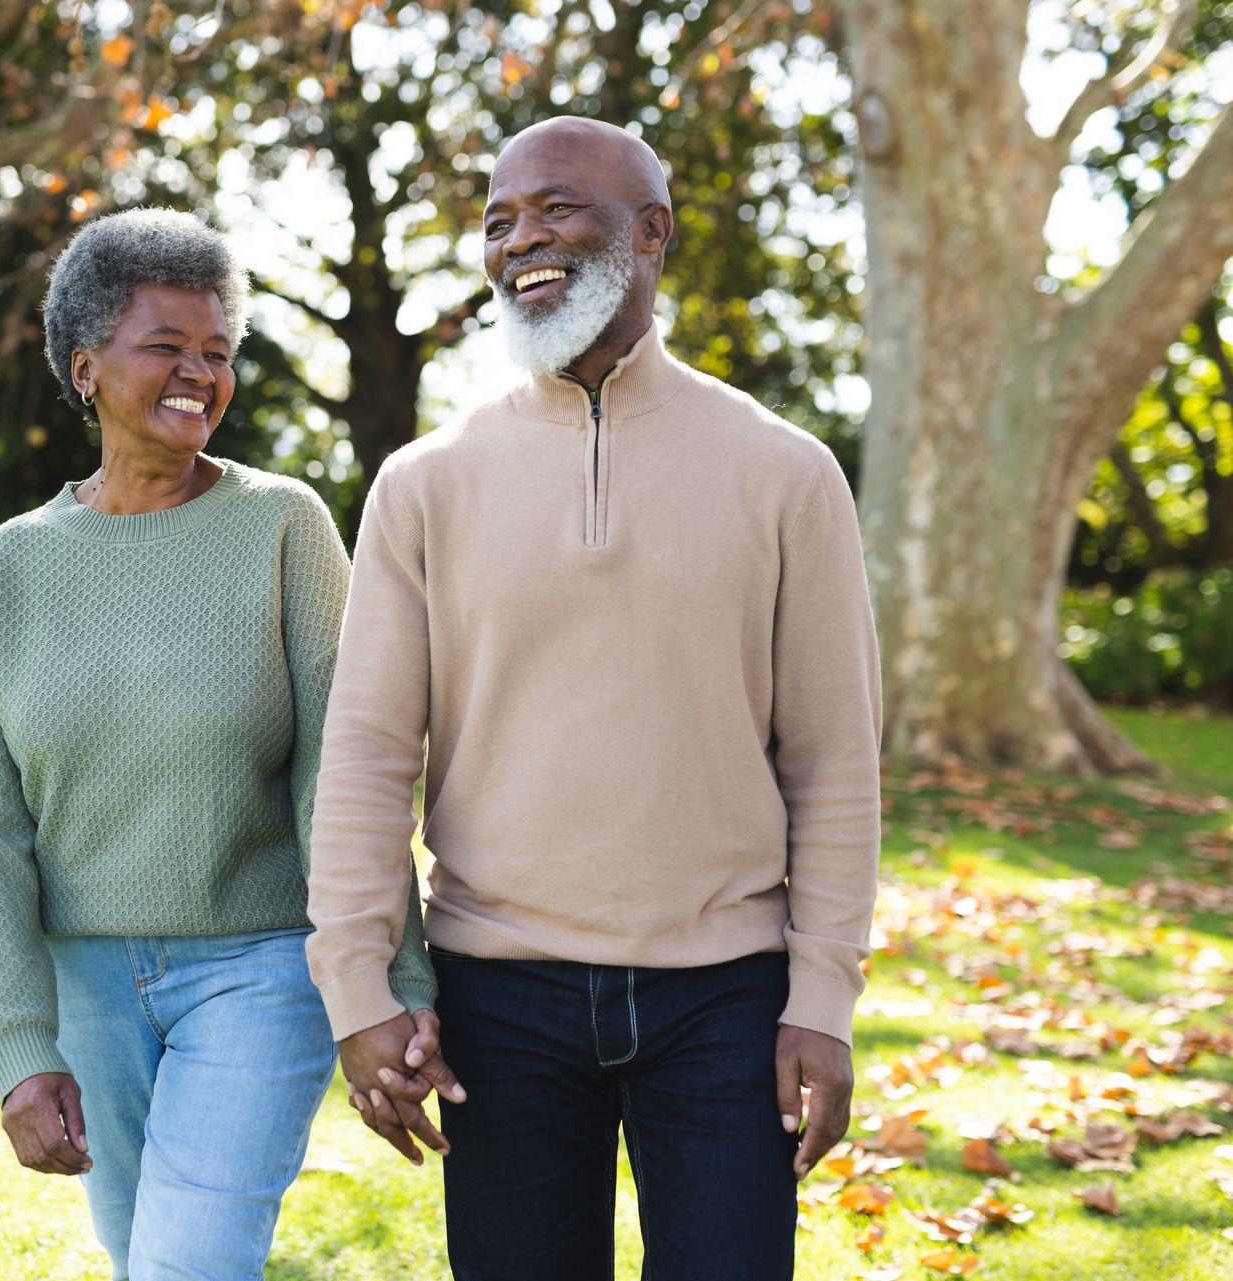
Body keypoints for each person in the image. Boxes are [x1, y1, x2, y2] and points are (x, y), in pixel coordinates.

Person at [304, 118, 883, 1280]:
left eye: (558, 207)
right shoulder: (424, 484)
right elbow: (367, 753)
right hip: (497, 999)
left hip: (727, 1000)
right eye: (499, 220)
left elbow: (833, 759)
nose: (523, 238)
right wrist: (358, 988)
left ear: (652, 232)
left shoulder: (785, 473)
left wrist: (821, 997)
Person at [0, 207, 440, 1280]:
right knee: (141, 1260)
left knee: (189, 1264)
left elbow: (341, 778)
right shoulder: (8, 568)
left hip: (260, 968)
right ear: (86, 368)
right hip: (85, 992)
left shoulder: (283, 528)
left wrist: (392, 981)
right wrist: (20, 1052)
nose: (198, 373)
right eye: (164, 346)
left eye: (217, 352)